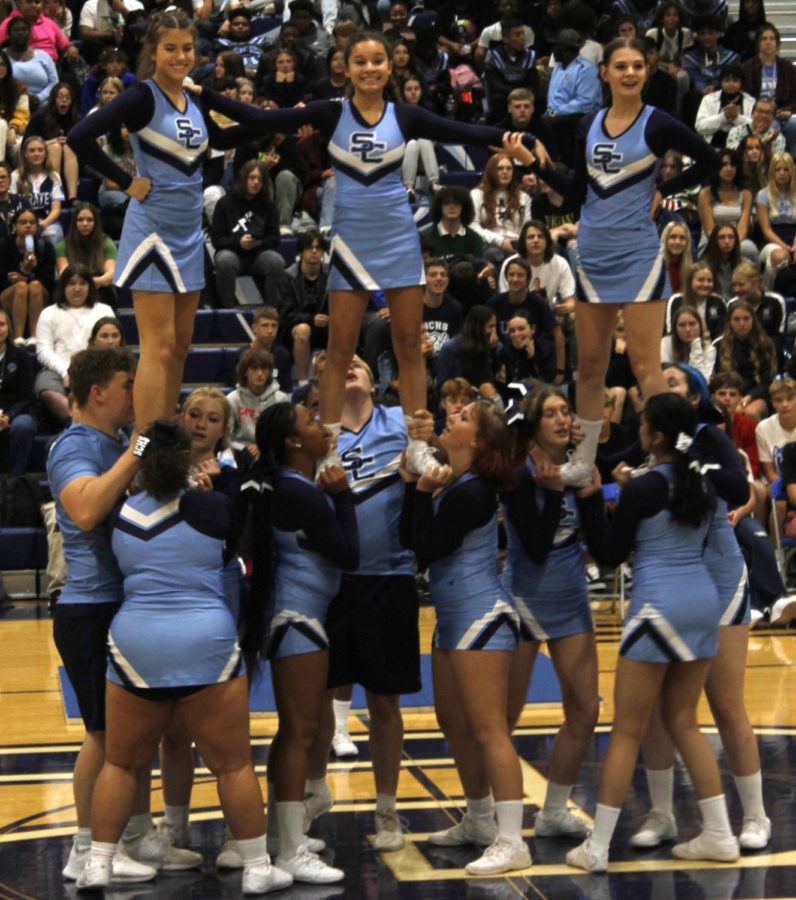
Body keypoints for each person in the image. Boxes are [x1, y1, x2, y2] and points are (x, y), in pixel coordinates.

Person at [191, 28, 548, 475]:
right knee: (339, 349)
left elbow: (465, 127)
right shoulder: (329, 112)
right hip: (352, 239)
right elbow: (263, 120)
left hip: (397, 236)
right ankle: (330, 448)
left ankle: (417, 445)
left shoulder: (406, 114)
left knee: (410, 348)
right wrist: (202, 92)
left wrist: (519, 140)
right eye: (360, 61)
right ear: (345, 67)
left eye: (378, 60)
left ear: (388, 65)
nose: (370, 68)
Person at [76, 419, 291, 895]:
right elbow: (235, 546)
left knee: (120, 763)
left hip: (137, 642)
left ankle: (98, 863)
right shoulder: (213, 507)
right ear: (187, 464)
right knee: (233, 765)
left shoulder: (119, 511)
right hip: (204, 638)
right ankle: (257, 867)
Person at [521, 36, 718, 488]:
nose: (630, 73)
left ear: (645, 73)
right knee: (589, 366)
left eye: (637, 66)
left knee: (648, 367)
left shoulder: (659, 123)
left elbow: (709, 159)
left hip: (637, 254)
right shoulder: (587, 122)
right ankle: (583, 459)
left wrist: (664, 190)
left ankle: (668, 459)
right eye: (621, 66)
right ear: (604, 72)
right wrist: (536, 164)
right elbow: (576, 192)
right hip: (592, 253)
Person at [566, 392, 740, 872]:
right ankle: (720, 834)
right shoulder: (701, 482)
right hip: (703, 602)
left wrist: (590, 502)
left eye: (643, 424)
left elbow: (607, 555)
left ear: (655, 436)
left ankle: (597, 847)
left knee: (627, 730)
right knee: (685, 722)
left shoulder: (642, 489)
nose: (638, 429)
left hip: (656, 605)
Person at [66, 9, 256, 432]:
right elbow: (80, 137)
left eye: (187, 48)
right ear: (152, 51)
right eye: (170, 48)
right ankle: (144, 447)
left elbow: (221, 138)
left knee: (181, 346)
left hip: (189, 231)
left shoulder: (191, 98)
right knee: (159, 345)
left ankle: (163, 436)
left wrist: (279, 122)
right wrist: (125, 180)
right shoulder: (141, 96)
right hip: (152, 231)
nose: (180, 56)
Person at [47, 347, 194, 885]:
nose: (134, 393)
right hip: (89, 607)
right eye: (126, 385)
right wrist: (137, 451)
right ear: (97, 393)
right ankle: (84, 849)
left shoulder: (105, 444)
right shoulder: (73, 444)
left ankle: (133, 836)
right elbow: (85, 511)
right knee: (104, 735)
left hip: (119, 604)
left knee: (132, 735)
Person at [629, 362, 771, 854]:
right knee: (656, 709)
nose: (661, 384)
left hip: (720, 578)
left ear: (694, 396)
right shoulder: (650, 442)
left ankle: (755, 815)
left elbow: (741, 489)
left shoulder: (708, 439)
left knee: (726, 703)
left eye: (673, 381)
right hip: (671, 585)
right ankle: (663, 813)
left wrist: (697, 465)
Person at [399, 399, 532, 874]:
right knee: (452, 722)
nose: (451, 416)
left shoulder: (474, 491)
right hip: (452, 620)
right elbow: (410, 539)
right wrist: (416, 487)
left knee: (488, 729)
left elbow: (426, 549)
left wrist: (417, 492)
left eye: (463, 417)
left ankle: (513, 839)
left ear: (477, 441)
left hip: (481, 616)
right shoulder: (453, 483)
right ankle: (478, 820)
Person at [309, 356, 422, 851]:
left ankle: (388, 809)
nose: (348, 367)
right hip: (327, 582)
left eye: (357, 363)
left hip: (389, 578)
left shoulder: (402, 423)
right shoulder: (313, 432)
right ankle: (312, 796)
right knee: (315, 698)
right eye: (338, 365)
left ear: (375, 382)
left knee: (384, 701)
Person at [254, 401, 358, 883]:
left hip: (296, 614)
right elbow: (349, 554)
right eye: (311, 423)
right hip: (298, 617)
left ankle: (281, 835)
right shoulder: (303, 493)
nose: (322, 427)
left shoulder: (291, 486)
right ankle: (290, 851)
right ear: (293, 442)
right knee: (302, 731)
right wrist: (343, 496)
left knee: (294, 729)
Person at [500, 385, 601, 842]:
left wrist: (592, 495)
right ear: (533, 424)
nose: (563, 419)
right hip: (524, 599)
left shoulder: (578, 468)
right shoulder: (519, 472)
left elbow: (599, 545)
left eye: (567, 411)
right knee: (503, 718)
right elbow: (537, 547)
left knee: (584, 710)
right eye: (552, 414)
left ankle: (554, 810)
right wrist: (558, 491)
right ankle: (485, 813)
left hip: (571, 600)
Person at [35, 265, 115, 426]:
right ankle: (82, 424)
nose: (77, 289)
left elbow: (113, 346)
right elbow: (43, 350)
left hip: (95, 368)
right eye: (72, 283)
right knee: (45, 388)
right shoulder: (49, 313)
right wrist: (65, 371)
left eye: (82, 284)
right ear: (63, 287)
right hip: (57, 370)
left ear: (89, 287)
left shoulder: (104, 311)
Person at [210, 159, 284, 308]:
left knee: (276, 261)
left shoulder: (269, 206)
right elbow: (217, 239)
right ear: (243, 179)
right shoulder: (224, 203)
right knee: (225, 261)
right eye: (252, 178)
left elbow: (275, 239)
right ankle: (227, 309)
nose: (256, 182)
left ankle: (272, 311)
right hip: (232, 252)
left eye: (260, 179)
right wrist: (239, 242)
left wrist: (259, 243)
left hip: (259, 254)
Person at [488, 256, 565, 384]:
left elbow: (557, 333)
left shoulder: (538, 303)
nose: (515, 279)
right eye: (511, 275)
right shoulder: (495, 302)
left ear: (528, 279)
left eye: (520, 275)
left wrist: (560, 370)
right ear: (506, 277)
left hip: (533, 355)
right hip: (504, 357)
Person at [712, 298, 776, 421]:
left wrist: (750, 396)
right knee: (734, 411)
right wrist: (732, 397)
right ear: (729, 322)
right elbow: (715, 380)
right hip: (728, 394)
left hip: (758, 395)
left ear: (753, 320)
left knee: (751, 412)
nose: (742, 323)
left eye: (746, 318)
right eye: (736, 319)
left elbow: (768, 382)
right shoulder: (718, 345)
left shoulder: (765, 344)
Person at [740, 23, 796, 158]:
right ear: (758, 43)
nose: (768, 42)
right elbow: (744, 96)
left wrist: (789, 110)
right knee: (774, 125)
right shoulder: (746, 67)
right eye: (764, 39)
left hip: (782, 112)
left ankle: (791, 164)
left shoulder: (787, 67)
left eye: (772, 39)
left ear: (777, 43)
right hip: (759, 113)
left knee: (794, 125)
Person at [226, 347, 289, 466]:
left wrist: (263, 448)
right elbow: (226, 437)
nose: (260, 373)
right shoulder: (232, 399)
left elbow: (284, 435)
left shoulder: (280, 399)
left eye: (264, 368)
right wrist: (244, 448)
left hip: (272, 456)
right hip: (239, 455)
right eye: (254, 368)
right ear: (245, 372)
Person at [0, 205, 53, 345]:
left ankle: (34, 336)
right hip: (9, 294)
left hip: (39, 295)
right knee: (21, 287)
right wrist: (19, 276)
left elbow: (48, 280)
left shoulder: (44, 246)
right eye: (23, 222)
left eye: (32, 223)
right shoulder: (3, 246)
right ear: (14, 227)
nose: (28, 226)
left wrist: (26, 274)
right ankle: (18, 337)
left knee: (34, 285)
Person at [697, 148, 757, 261]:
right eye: (724, 165)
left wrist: (732, 244)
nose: (729, 169)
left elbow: (743, 228)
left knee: (749, 249)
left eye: (733, 165)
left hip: (737, 240)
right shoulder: (705, 193)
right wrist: (724, 242)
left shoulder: (746, 194)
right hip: (711, 240)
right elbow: (709, 230)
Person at [24, 80, 79, 202]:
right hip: (44, 157)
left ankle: (72, 197)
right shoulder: (40, 116)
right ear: (54, 99)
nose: (64, 100)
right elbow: (26, 143)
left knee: (67, 147)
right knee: (56, 147)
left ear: (72, 101)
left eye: (67, 97)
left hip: (70, 159)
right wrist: (50, 142)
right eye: (60, 96)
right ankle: (55, 194)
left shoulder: (75, 118)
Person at [55, 201, 117, 306]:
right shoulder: (63, 245)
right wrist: (80, 284)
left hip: (99, 286)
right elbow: (63, 273)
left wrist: (94, 282)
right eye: (80, 220)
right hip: (74, 284)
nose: (85, 224)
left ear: (96, 223)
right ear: (74, 223)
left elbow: (111, 274)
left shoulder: (107, 243)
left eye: (89, 220)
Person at [436, 305, 501, 402]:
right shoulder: (450, 348)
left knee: (487, 388)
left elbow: (494, 380)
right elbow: (442, 385)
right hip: (456, 396)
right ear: (479, 327)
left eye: (495, 326)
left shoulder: (495, 347)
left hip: (482, 398)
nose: (493, 331)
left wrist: (492, 351)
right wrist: (465, 389)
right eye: (490, 327)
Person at [0, 307, 36, 476]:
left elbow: (26, 396)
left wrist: (8, 416)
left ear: (9, 328)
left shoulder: (21, 356)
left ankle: (14, 482)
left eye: (1, 324)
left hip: (16, 411)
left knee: (24, 426)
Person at [10, 133, 63, 246]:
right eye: (32, 150)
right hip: (23, 223)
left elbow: (56, 209)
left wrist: (44, 223)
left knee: (51, 237)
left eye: (40, 150)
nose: (36, 154)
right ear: (25, 154)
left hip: (47, 222)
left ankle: (49, 264)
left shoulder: (54, 176)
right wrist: (26, 225)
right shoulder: (15, 176)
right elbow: (12, 205)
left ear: (45, 153)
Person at [755, 152, 796, 288]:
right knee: (779, 256)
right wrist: (786, 248)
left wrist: (795, 246)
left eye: (786, 169)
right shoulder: (763, 195)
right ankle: (767, 290)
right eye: (778, 170)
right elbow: (766, 229)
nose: (782, 173)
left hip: (794, 236)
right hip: (772, 239)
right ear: (772, 172)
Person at [665, 259, 727, 341]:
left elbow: (721, 337)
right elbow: (670, 333)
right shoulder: (676, 301)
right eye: (701, 280)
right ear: (690, 281)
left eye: (709, 280)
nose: (706, 284)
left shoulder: (718, 302)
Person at [4, 16, 57, 111]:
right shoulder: (2, 57)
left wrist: (39, 97)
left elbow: (54, 82)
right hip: (11, 104)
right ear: (8, 33)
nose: (20, 33)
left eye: (24, 30)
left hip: (43, 105)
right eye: (16, 30)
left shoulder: (43, 56)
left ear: (30, 33)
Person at [695, 61, 753, 148]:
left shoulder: (750, 101)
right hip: (714, 145)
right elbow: (699, 127)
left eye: (735, 81)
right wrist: (723, 117)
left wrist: (737, 118)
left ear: (741, 83)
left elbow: (755, 127)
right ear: (721, 82)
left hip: (742, 147)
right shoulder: (708, 99)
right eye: (727, 80)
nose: (731, 84)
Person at [0, 49, 29, 165]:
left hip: (11, 133)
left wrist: (13, 128)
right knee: (1, 124)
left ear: (8, 67)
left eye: (3, 64)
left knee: (20, 144)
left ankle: (20, 180)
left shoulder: (18, 87)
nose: (0, 68)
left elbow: (22, 115)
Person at [701, 222, 741, 300]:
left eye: (731, 237)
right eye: (722, 237)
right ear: (715, 240)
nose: (727, 241)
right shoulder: (704, 265)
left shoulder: (744, 264)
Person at [659, 220, 693, 297]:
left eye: (682, 238)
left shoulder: (691, 270)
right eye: (673, 237)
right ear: (665, 240)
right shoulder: (655, 268)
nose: (677, 242)